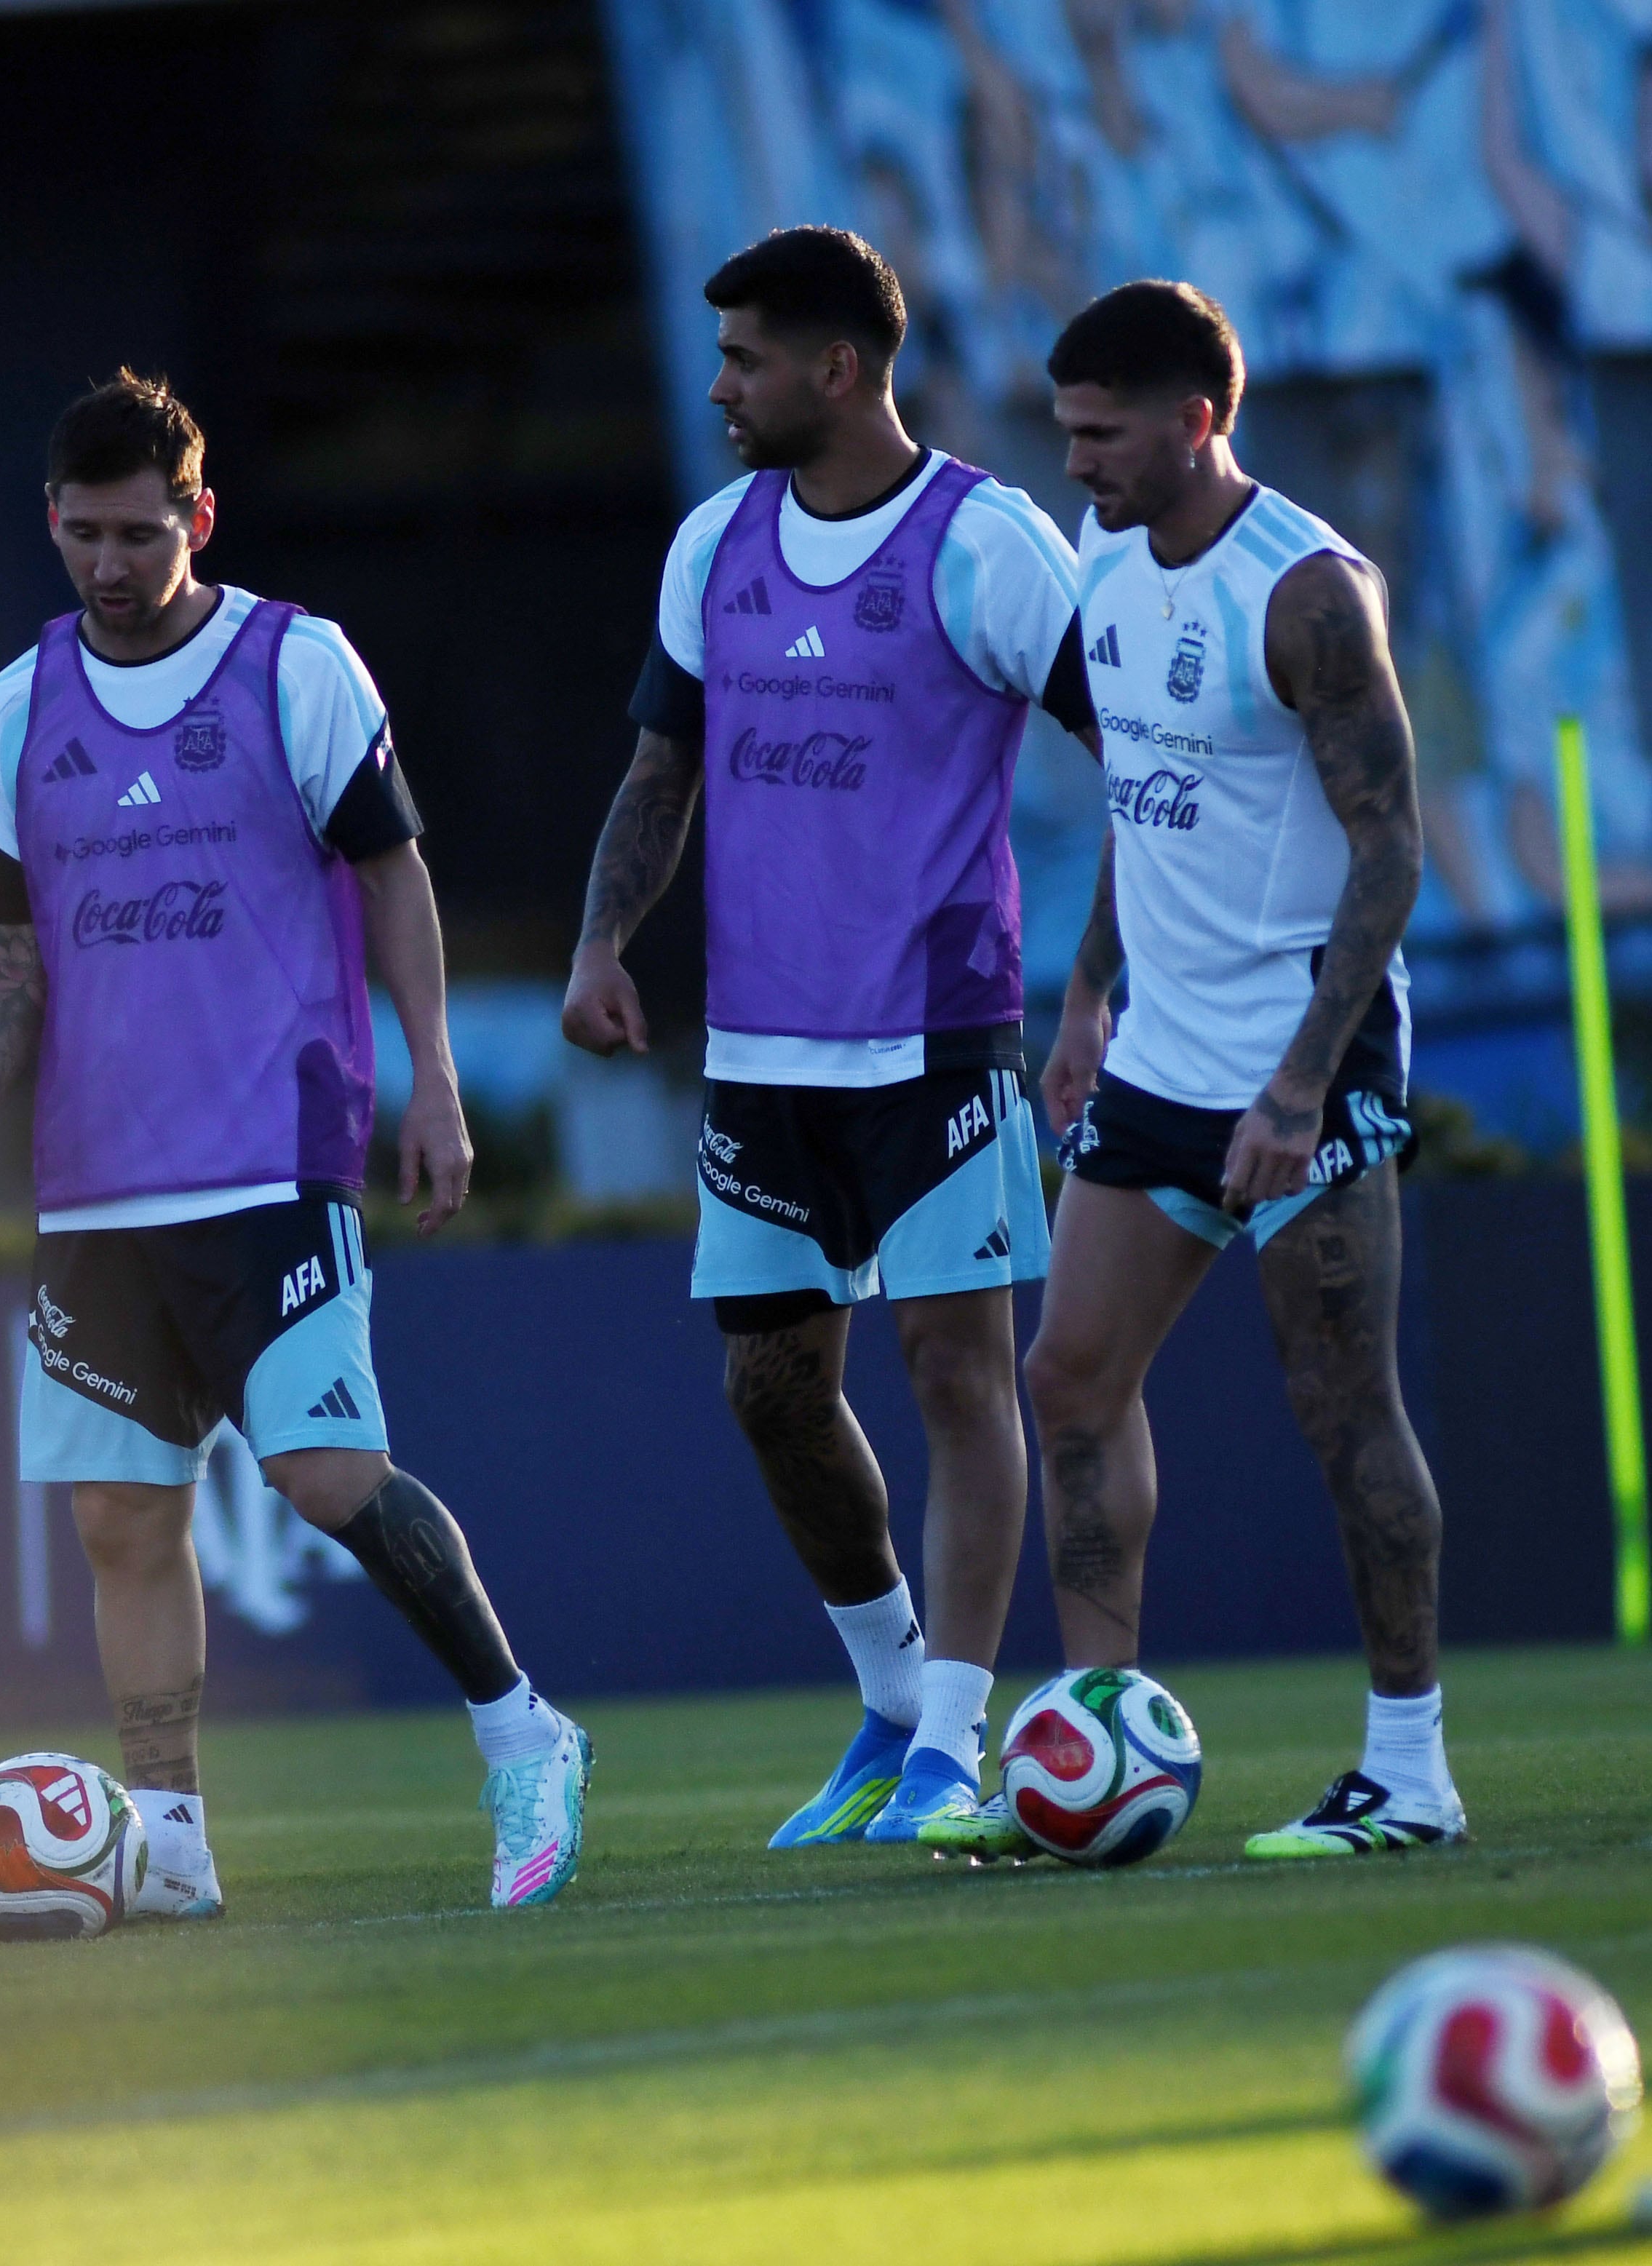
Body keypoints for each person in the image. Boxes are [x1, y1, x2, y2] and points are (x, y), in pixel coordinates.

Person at [0, 371, 589, 1915]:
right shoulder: (9, 711)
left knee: (318, 1469)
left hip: (272, 1150)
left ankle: (522, 1733)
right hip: (93, 1181)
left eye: (138, 534)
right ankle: (167, 1849)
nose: (107, 563)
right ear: (49, 521)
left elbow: (392, 877)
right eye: (82, 533)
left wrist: (430, 1076)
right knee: (120, 1517)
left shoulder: (295, 666)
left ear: (197, 518)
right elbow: (6, 941)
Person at [563, 227, 1092, 1848]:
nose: (718, 386)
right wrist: (599, 940)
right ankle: (883, 1699)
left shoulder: (986, 546)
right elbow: (662, 774)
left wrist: (1111, 987)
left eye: (742, 359)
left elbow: (1135, 759)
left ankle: (955, 1742)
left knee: (952, 1369)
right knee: (770, 1394)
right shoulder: (710, 545)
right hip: (758, 1054)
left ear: (839, 369)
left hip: (936, 1036)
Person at [923, 282, 1458, 1862]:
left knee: (1339, 1408)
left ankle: (1408, 1774)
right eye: (1063, 430)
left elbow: (1391, 852)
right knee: (1067, 1381)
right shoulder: (1099, 561)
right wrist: (1086, 996)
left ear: (1195, 421)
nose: (1072, 461)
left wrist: (1299, 1086)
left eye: (1098, 434)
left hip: (1307, 1049)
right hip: (1157, 1044)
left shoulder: (1304, 595)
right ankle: (1093, 1738)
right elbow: (1147, 800)